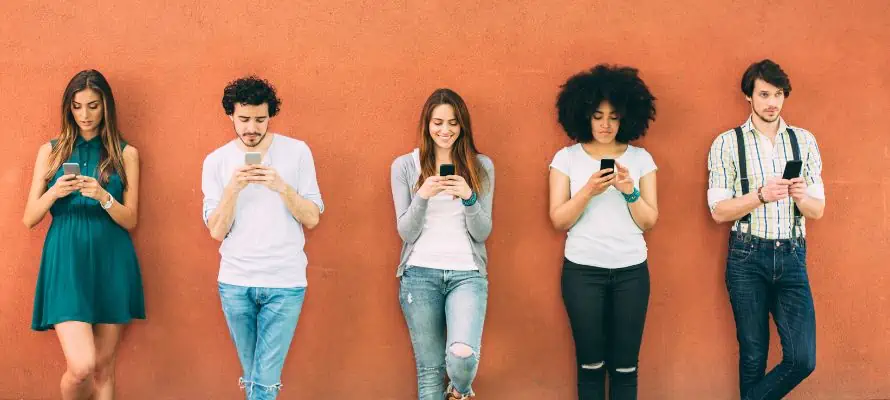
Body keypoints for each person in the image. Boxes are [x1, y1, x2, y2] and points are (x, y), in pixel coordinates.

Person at [23, 69, 145, 400]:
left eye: (93, 106)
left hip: (112, 259)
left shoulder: (126, 154)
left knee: (104, 367)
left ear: (106, 106)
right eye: (77, 107)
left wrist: (104, 197)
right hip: (65, 261)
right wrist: (54, 193)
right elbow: (29, 217)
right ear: (68, 108)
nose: (85, 115)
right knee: (81, 367)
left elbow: (131, 219)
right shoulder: (50, 152)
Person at [707, 59, 824, 400]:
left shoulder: (803, 141)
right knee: (754, 354)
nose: (772, 102)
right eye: (763, 94)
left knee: (802, 358)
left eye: (778, 94)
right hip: (747, 255)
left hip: (791, 254)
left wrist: (801, 196)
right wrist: (759, 196)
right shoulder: (727, 143)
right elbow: (717, 210)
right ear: (749, 97)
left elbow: (817, 209)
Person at [201, 76, 324, 399]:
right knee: (255, 380)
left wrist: (281, 186)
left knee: (264, 382)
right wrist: (233, 188)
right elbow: (216, 231)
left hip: (285, 282)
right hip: (235, 282)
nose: (252, 128)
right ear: (231, 115)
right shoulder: (216, 161)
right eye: (243, 120)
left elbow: (312, 217)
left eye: (260, 119)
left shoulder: (297, 152)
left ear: (271, 115)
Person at [549, 64, 658, 400]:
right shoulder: (565, 158)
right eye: (598, 116)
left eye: (613, 117)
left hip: (631, 273)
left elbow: (648, 221)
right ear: (584, 116)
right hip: (582, 272)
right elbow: (559, 219)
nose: (606, 124)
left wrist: (630, 191)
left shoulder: (641, 159)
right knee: (590, 366)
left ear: (626, 117)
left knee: (626, 368)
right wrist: (587, 192)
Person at [390, 88, 495, 399]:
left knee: (462, 356)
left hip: (467, 274)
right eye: (438, 122)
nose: (445, 130)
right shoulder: (404, 166)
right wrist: (422, 195)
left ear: (462, 126)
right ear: (427, 124)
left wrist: (469, 197)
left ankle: (460, 391)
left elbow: (482, 232)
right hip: (419, 275)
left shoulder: (481, 166)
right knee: (429, 372)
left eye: (453, 123)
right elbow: (406, 232)